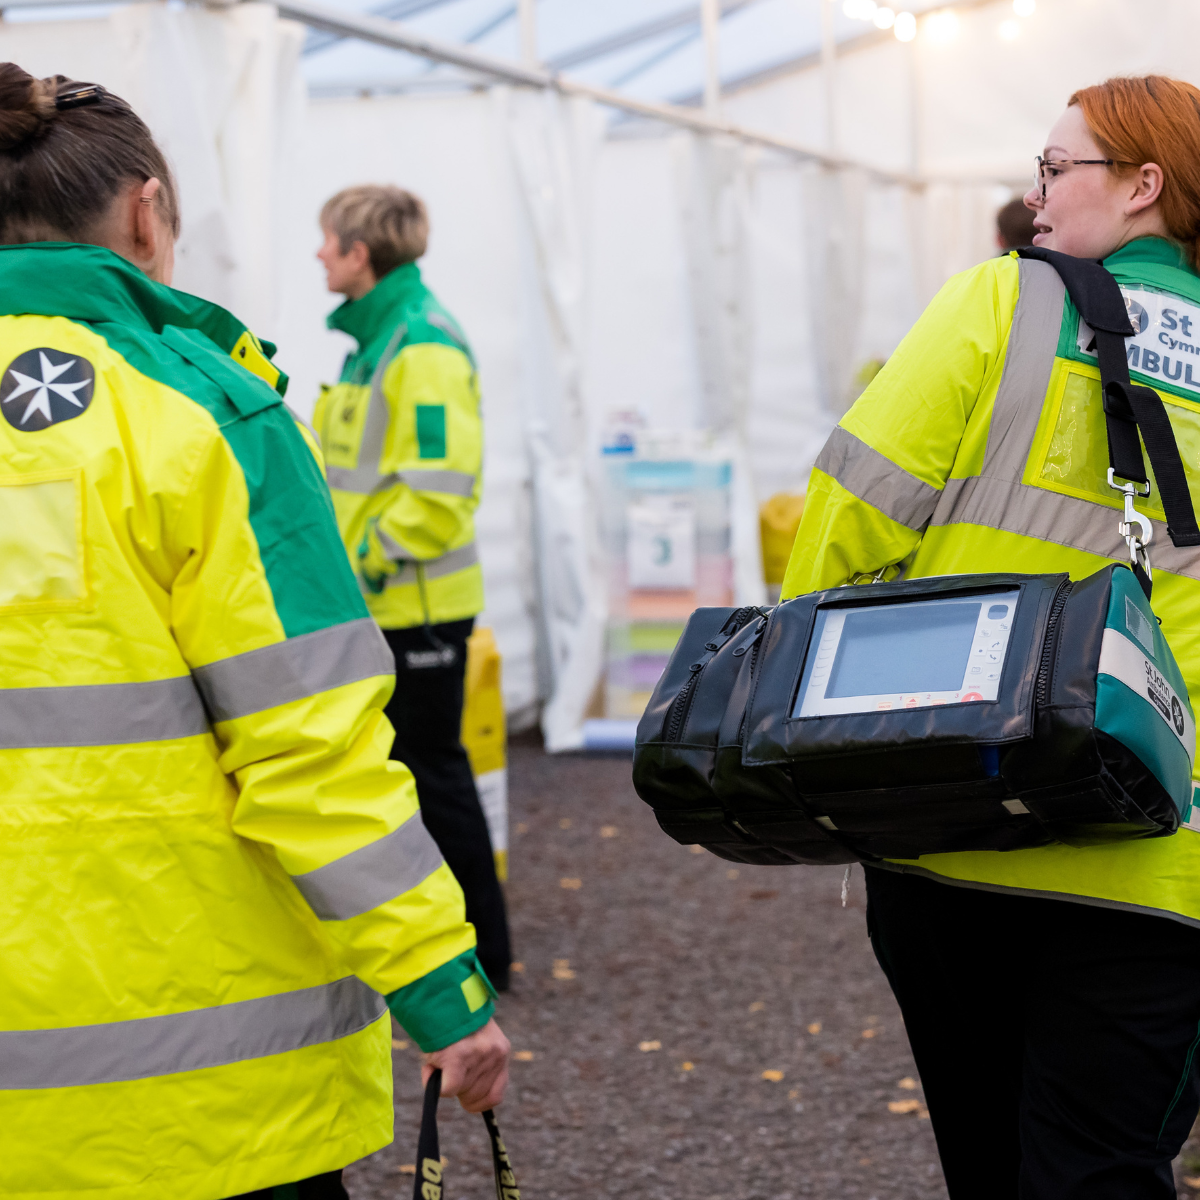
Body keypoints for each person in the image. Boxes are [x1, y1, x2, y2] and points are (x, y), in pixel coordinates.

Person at [0, 65, 508, 1200]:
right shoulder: (203, 411)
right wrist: (441, 987)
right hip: (198, 1091)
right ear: (146, 212)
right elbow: (310, 753)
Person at [783, 75, 1200, 1199]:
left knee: (988, 1160)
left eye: (1056, 169)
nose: (1036, 195)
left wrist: (823, 759)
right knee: (1104, 1169)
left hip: (951, 824)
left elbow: (846, 524)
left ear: (1144, 185)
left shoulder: (1001, 305)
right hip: (1164, 868)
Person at [312, 185, 512, 991]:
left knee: (436, 781)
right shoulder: (377, 340)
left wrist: (360, 565)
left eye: (328, 241)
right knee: (415, 779)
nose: (319, 254)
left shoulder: (419, 345)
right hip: (385, 605)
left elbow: (439, 490)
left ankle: (484, 961)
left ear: (361, 254)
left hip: (414, 613)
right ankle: (442, 955)